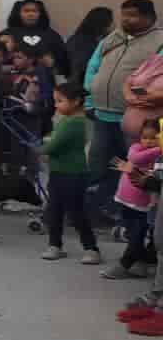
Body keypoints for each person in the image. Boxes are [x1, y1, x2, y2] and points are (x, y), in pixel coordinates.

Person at [84, 0, 163, 216]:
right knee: (99, 165)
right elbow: (93, 66)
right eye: (124, 14)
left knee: (133, 167)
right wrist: (92, 94)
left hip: (136, 119)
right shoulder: (113, 38)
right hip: (102, 114)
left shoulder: (159, 41)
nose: (125, 19)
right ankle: (99, 210)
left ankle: (129, 215)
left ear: (149, 17)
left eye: (132, 15)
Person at [39, 83, 101, 264]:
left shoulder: (74, 123)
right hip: (60, 172)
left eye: (60, 101)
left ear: (76, 102)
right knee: (55, 210)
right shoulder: (67, 121)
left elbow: (53, 145)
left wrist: (43, 148)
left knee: (76, 212)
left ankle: (91, 248)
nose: (56, 105)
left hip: (72, 173)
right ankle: (55, 245)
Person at [105, 119, 160, 280]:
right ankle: (145, 262)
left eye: (153, 138)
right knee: (131, 232)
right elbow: (134, 159)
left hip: (144, 205)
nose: (148, 141)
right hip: (125, 199)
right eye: (145, 137)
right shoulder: (136, 148)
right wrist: (158, 148)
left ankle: (125, 264)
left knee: (137, 235)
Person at [4, 0, 68, 77]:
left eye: (35, 11)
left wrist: (52, 64)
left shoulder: (52, 35)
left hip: (45, 79)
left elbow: (64, 62)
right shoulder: (7, 34)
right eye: (26, 11)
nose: (31, 14)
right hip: (12, 78)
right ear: (18, 13)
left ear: (40, 14)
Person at [66, 6, 114, 92]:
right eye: (111, 22)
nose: (114, 25)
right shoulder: (82, 42)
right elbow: (81, 67)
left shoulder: (95, 40)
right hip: (81, 88)